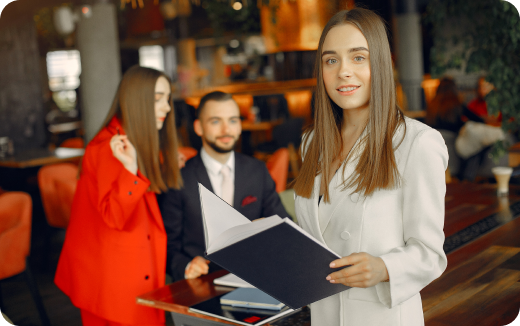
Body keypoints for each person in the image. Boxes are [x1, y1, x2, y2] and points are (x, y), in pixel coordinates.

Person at [292, 8, 448, 326]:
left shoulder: (417, 143)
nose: (343, 72)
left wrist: (384, 267)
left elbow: (430, 254)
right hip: (322, 316)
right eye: (330, 60)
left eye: (358, 58)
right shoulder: (312, 142)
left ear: (380, 63)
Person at [54, 65, 183, 326]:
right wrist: (129, 169)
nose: (167, 107)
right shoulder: (109, 148)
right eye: (157, 99)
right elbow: (114, 216)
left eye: (167, 99)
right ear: (135, 101)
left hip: (126, 275)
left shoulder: (132, 139)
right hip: (111, 285)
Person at [159, 91, 288, 282]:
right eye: (215, 121)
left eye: (233, 120)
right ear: (199, 127)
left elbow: (283, 224)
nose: (226, 129)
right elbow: (167, 245)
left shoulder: (257, 170)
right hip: (201, 284)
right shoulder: (179, 179)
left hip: (255, 279)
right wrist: (186, 265)